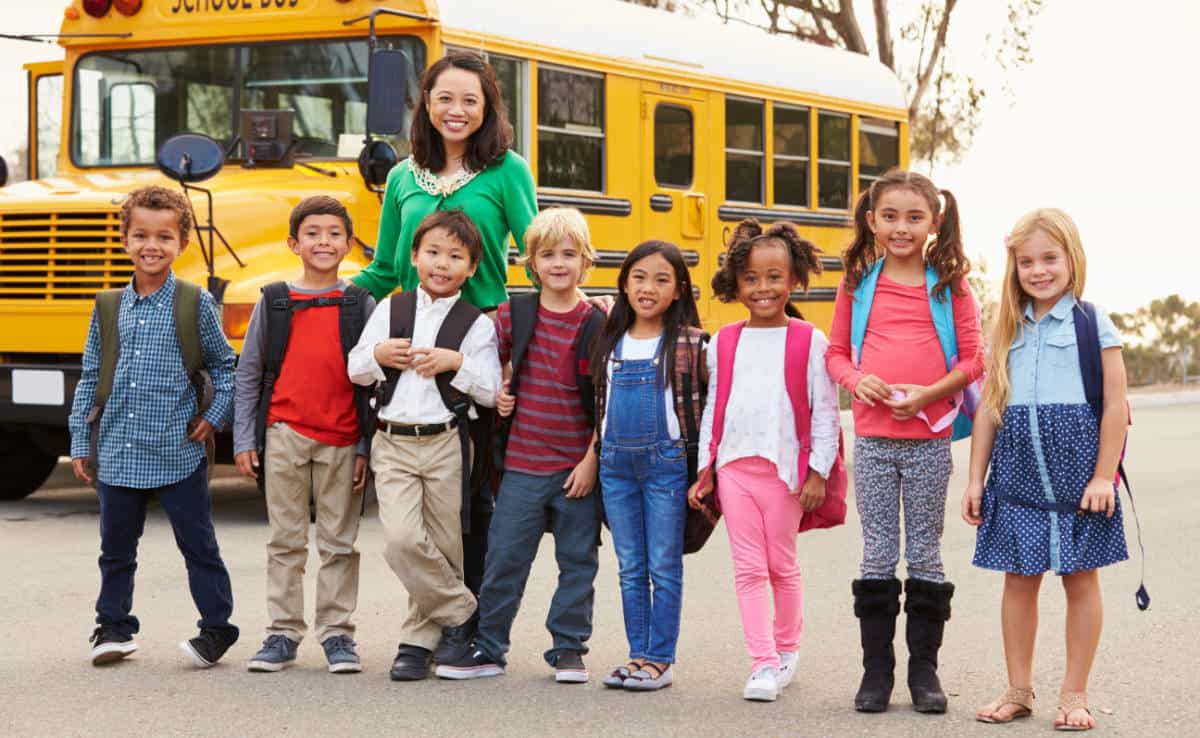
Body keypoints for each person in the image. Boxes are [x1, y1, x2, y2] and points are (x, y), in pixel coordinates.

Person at [352, 50, 537, 597]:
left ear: (488, 108)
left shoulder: (508, 171)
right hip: (415, 349)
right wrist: (324, 295)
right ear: (426, 104)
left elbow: (537, 247)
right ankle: (443, 617)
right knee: (413, 512)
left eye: (470, 100)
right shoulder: (404, 177)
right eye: (445, 98)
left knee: (472, 493)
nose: (456, 110)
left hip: (478, 341)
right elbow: (387, 266)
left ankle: (472, 617)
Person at [962, 208, 1128, 732]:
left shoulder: (1091, 322)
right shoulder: (1005, 328)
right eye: (1027, 261)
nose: (1038, 270)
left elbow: (1116, 406)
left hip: (1081, 479)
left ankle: (1074, 694)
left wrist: (1104, 476)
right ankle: (1018, 689)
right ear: (1014, 268)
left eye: (1049, 258)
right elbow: (990, 408)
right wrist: (974, 478)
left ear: (1071, 259)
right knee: (1019, 582)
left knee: (1080, 581)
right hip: (1017, 479)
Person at [825, 168, 984, 714]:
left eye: (914, 217)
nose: (901, 228)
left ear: (934, 222)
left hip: (928, 439)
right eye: (889, 217)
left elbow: (974, 360)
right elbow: (836, 355)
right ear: (872, 221)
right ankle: (877, 673)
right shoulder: (857, 283)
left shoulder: (951, 285)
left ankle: (924, 672)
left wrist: (927, 395)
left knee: (924, 548)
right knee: (876, 549)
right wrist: (857, 381)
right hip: (872, 439)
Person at [69, 185, 239, 668]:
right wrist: (83, 440)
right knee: (115, 550)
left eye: (164, 236)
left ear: (181, 242)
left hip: (177, 453)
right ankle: (114, 628)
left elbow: (224, 367)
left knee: (199, 546)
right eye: (140, 234)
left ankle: (217, 628)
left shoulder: (194, 302)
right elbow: (89, 379)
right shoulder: (107, 306)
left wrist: (212, 416)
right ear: (124, 240)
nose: (152, 245)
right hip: (118, 453)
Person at [435, 208, 604, 683]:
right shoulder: (514, 314)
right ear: (531, 263)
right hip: (523, 466)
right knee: (505, 560)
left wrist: (592, 459)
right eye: (547, 254)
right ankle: (489, 647)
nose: (558, 264)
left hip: (578, 467)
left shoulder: (597, 323)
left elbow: (608, 400)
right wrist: (502, 385)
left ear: (585, 263)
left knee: (577, 563)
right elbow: (486, 363)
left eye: (569, 254)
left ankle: (569, 649)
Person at [688, 220, 841, 702]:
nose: (763, 288)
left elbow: (826, 413)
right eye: (752, 278)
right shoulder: (724, 341)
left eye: (774, 277)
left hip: (785, 473)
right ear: (735, 284)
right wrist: (705, 468)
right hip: (734, 469)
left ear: (794, 278)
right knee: (748, 568)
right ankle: (762, 662)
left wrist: (817, 470)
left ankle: (787, 648)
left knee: (781, 564)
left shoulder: (808, 339)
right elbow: (716, 407)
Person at [348, 210, 502, 681]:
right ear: (413, 256)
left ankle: (417, 642)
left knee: (444, 543)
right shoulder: (390, 310)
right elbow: (354, 368)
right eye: (433, 252)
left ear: (472, 268)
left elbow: (492, 391)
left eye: (455, 257)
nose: (442, 263)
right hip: (392, 440)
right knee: (402, 540)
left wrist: (456, 362)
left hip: (447, 441)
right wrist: (377, 355)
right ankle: (462, 612)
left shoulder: (476, 324)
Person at [232, 196, 374, 674]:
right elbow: (249, 372)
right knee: (286, 540)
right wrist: (244, 439)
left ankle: (337, 634)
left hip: (342, 436)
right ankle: (282, 632)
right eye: (312, 233)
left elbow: (373, 381)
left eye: (334, 233)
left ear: (349, 243)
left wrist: (364, 446)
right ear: (294, 243)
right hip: (284, 434)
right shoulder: (274, 300)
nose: (324, 242)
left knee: (338, 541)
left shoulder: (359, 302)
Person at [590, 240, 706, 692]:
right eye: (638, 277)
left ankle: (661, 658)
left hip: (666, 464)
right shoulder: (609, 337)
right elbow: (597, 408)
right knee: (629, 564)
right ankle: (637, 654)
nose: (648, 287)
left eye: (661, 280)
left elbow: (711, 407)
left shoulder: (692, 344)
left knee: (663, 564)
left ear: (678, 291)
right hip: (615, 465)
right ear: (623, 284)